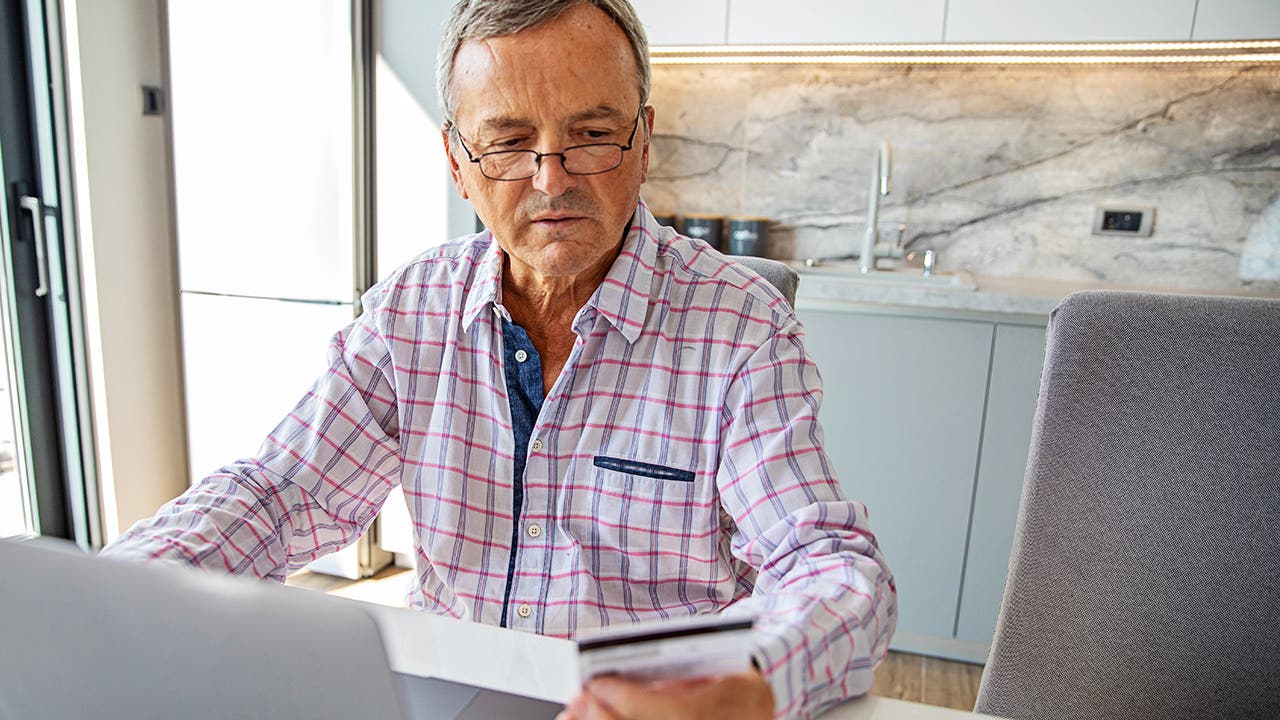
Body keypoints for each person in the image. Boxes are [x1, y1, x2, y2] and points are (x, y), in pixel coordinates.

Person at [101, 1, 896, 718]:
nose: (551, 180)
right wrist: (107, 597)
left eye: (590, 135)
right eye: (510, 144)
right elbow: (281, 494)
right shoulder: (414, 309)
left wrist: (746, 685)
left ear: (644, 140)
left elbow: (828, 566)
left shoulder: (740, 329)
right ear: (457, 162)